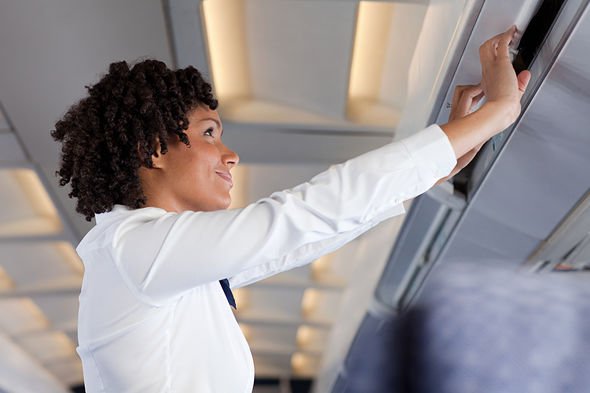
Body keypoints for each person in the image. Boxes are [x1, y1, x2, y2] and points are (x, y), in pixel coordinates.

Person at [51, 27, 530, 392]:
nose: (230, 154)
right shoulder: (136, 249)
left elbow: (298, 240)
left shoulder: (154, 262)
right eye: (209, 133)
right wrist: (496, 113)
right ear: (153, 148)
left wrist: (435, 168)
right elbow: (299, 217)